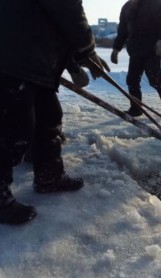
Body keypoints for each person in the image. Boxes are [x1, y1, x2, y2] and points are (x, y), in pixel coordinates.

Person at [0, 0, 110, 225]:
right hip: (15, 56)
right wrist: (87, 50)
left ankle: (49, 176)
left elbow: (50, 19)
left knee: (48, 116)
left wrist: (74, 63)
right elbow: (66, 9)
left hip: (36, 58)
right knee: (13, 129)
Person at [110, 0, 161, 117]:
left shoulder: (155, 2)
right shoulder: (127, 7)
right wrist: (116, 49)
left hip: (152, 50)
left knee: (155, 79)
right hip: (135, 51)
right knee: (132, 80)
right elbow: (122, 31)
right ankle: (136, 108)